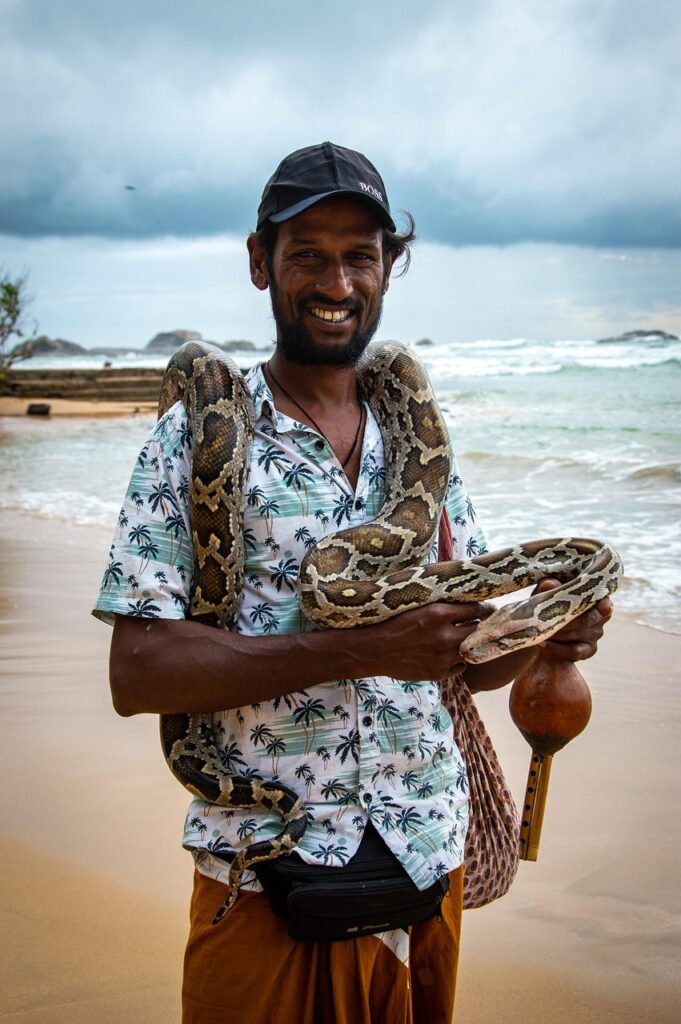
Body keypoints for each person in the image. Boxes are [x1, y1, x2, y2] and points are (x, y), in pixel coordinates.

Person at [93, 142, 612, 1024]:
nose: (336, 281)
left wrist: (536, 632)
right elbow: (138, 674)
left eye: (359, 256)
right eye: (307, 254)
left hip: (423, 855)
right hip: (264, 875)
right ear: (261, 265)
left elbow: (459, 664)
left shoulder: (426, 454)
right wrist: (362, 649)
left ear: (387, 268)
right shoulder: (193, 436)